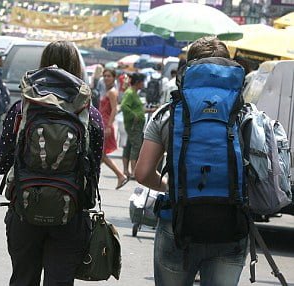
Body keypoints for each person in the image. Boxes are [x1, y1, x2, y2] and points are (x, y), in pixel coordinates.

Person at [135, 36, 248, 286]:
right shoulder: (247, 115)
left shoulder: (166, 114)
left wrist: (169, 187)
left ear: (188, 69)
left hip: (177, 224)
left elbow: (142, 173)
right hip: (231, 226)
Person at [0, 41, 104, 286]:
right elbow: (94, 169)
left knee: (23, 278)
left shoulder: (22, 108)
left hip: (24, 207)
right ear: (77, 67)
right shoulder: (90, 113)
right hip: (71, 211)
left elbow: (1, 162)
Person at [99, 68, 128, 190]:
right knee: (99, 154)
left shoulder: (112, 92)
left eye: (109, 76)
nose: (106, 78)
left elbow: (114, 109)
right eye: (104, 76)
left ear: (114, 78)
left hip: (106, 125)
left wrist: (109, 125)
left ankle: (120, 175)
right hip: (103, 123)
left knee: (101, 154)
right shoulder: (106, 90)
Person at [120, 73, 147, 180]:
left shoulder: (134, 93)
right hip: (133, 125)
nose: (143, 84)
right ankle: (133, 171)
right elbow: (124, 106)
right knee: (136, 146)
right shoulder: (130, 93)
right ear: (137, 83)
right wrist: (134, 115)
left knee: (129, 146)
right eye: (142, 82)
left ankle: (127, 170)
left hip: (136, 125)